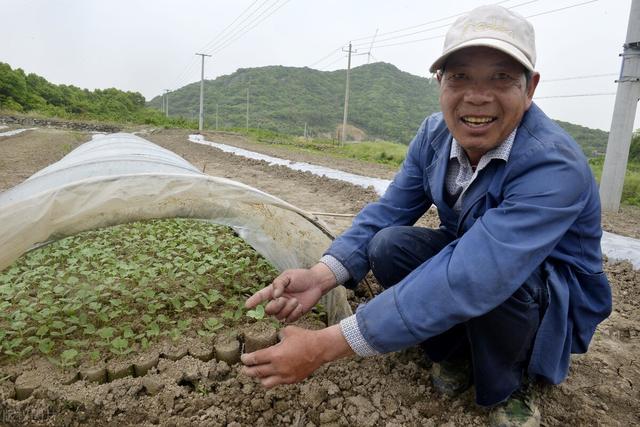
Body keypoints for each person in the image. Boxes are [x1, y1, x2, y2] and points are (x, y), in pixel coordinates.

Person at [241, 4, 612, 426]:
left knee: (505, 279)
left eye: (501, 77)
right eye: (460, 76)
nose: (477, 95)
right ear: (440, 82)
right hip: (477, 267)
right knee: (389, 245)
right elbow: (389, 211)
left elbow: (480, 271)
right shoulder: (434, 135)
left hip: (544, 294)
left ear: (530, 89)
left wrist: (327, 344)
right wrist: (323, 275)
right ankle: (456, 352)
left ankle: (512, 382)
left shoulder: (552, 165)